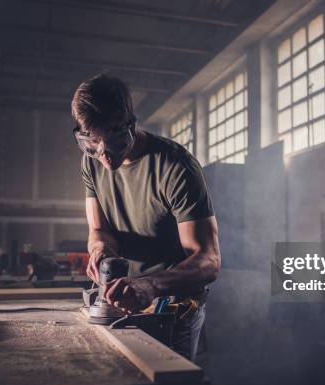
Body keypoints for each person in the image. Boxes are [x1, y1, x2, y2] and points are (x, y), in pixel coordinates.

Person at [71, 73, 221, 370]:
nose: (105, 157)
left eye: (113, 142)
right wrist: (100, 248)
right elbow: (99, 229)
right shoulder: (92, 161)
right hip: (120, 301)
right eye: (93, 144)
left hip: (171, 306)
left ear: (130, 123)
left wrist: (149, 285)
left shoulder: (176, 166)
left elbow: (208, 260)